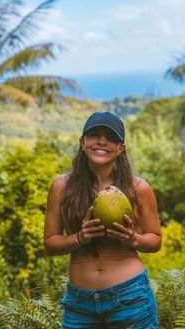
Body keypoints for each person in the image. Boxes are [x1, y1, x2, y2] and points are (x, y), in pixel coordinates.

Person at [44, 111, 161, 329]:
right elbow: (50, 244)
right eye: (94, 134)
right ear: (82, 142)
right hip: (80, 304)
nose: (102, 141)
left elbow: (155, 240)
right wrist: (80, 238)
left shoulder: (139, 188)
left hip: (130, 297)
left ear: (121, 148)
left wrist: (134, 239)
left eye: (111, 137)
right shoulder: (61, 187)